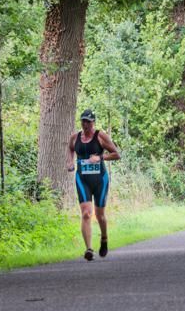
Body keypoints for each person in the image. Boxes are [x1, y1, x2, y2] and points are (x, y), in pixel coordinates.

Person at [68, 109, 120, 261]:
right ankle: (89, 249)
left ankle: (104, 239)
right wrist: (70, 162)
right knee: (86, 214)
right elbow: (70, 149)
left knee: (100, 215)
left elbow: (116, 154)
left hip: (100, 180)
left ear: (93, 122)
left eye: (88, 122)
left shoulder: (101, 136)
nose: (86, 125)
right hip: (82, 179)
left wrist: (100, 157)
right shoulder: (75, 137)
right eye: (83, 121)